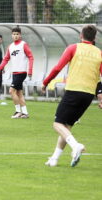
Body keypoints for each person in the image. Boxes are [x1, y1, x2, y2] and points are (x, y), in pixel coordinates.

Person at [42, 25, 102, 167]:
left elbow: (58, 67)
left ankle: (75, 146)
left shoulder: (73, 48)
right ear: (94, 38)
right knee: (66, 126)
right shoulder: (99, 53)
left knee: (57, 124)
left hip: (74, 90)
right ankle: (54, 159)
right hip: (88, 95)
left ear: (81, 35)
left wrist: (45, 82)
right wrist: (100, 96)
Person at [0, 26, 34, 119]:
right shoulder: (10, 46)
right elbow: (6, 59)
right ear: (11, 35)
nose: (15, 36)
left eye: (17, 34)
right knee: (19, 93)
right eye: (14, 34)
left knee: (11, 91)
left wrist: (30, 70)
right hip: (14, 73)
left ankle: (18, 111)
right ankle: (25, 113)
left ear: (20, 35)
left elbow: (31, 57)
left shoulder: (23, 44)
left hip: (22, 72)